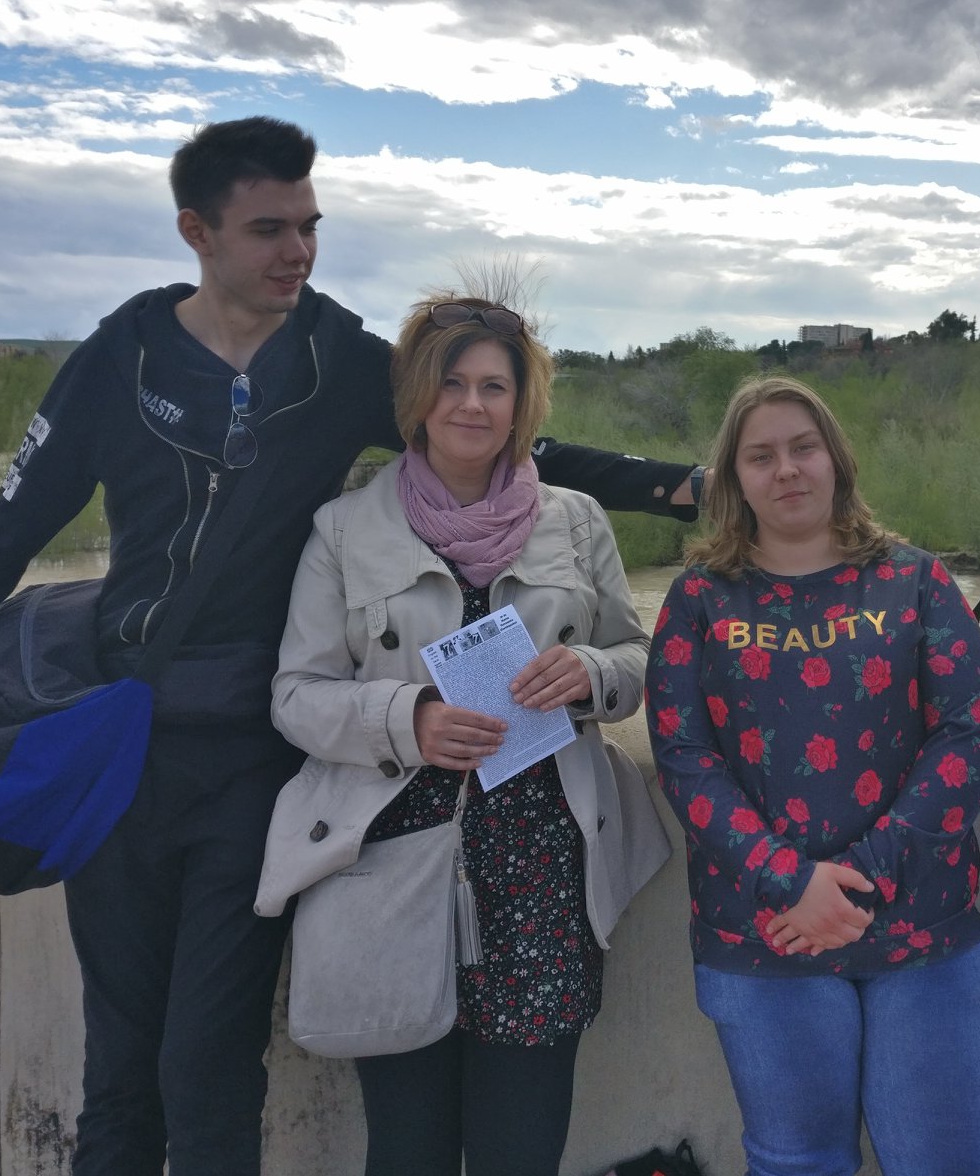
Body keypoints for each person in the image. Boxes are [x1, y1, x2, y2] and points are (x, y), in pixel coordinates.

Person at [0, 117, 697, 1176]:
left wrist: (690, 488)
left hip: (256, 763)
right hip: (121, 751)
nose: (298, 252)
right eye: (268, 230)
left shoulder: (332, 357)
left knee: (209, 1069)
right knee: (119, 1074)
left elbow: (498, 428)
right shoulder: (123, 357)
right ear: (196, 232)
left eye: (310, 225)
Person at [254, 289, 670, 1176]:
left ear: (522, 404)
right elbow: (296, 694)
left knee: (523, 1149)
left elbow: (637, 656)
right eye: (452, 383)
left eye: (493, 386)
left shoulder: (577, 520)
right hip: (390, 872)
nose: (471, 405)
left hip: (544, 873)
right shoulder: (343, 529)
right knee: (407, 1149)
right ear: (416, 396)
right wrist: (405, 719)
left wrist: (589, 673)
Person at [647, 375, 980, 1176]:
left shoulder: (917, 580)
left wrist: (862, 879)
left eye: (803, 447)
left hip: (923, 928)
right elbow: (683, 756)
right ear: (733, 478)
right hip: (766, 933)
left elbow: (966, 734)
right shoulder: (699, 599)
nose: (786, 469)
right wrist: (787, 880)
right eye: (761, 455)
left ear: (836, 458)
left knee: (950, 1161)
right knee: (798, 1164)